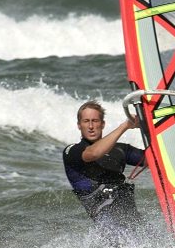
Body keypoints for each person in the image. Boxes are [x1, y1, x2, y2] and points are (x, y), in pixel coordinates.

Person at [62, 100, 144, 233]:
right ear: (79, 125)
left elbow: (155, 157)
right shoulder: (72, 151)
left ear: (102, 124)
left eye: (95, 121)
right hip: (109, 229)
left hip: (134, 222)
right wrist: (125, 126)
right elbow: (93, 153)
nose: (90, 126)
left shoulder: (121, 150)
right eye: (86, 121)